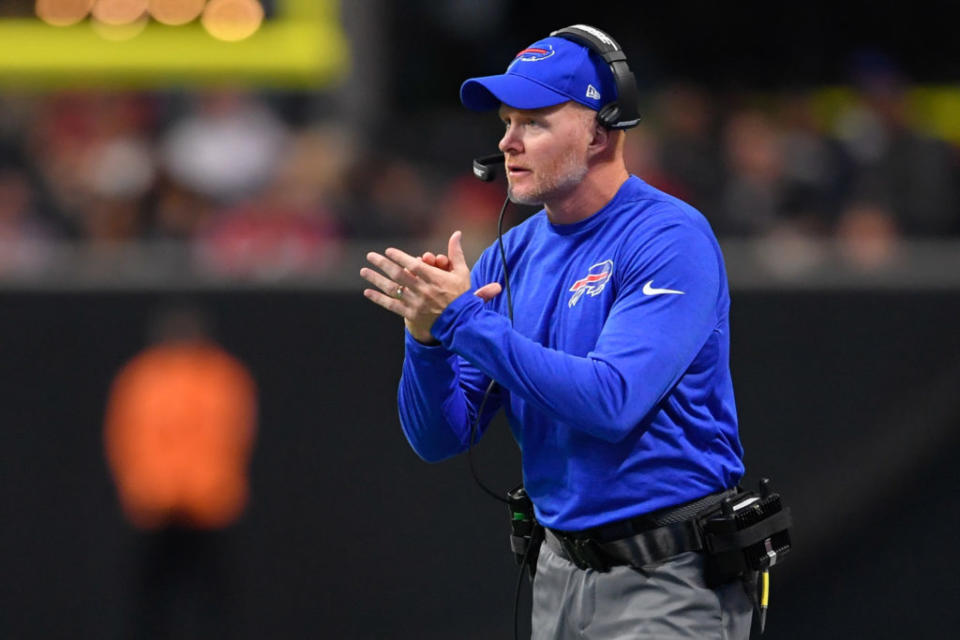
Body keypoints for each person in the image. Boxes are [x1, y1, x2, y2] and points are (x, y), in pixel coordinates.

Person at [361, 25, 752, 639]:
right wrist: (427, 339)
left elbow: (611, 401)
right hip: (557, 577)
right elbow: (439, 438)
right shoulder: (507, 255)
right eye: (506, 121)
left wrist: (462, 318)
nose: (507, 142)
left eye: (534, 122)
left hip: (664, 578)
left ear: (600, 130)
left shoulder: (669, 238)